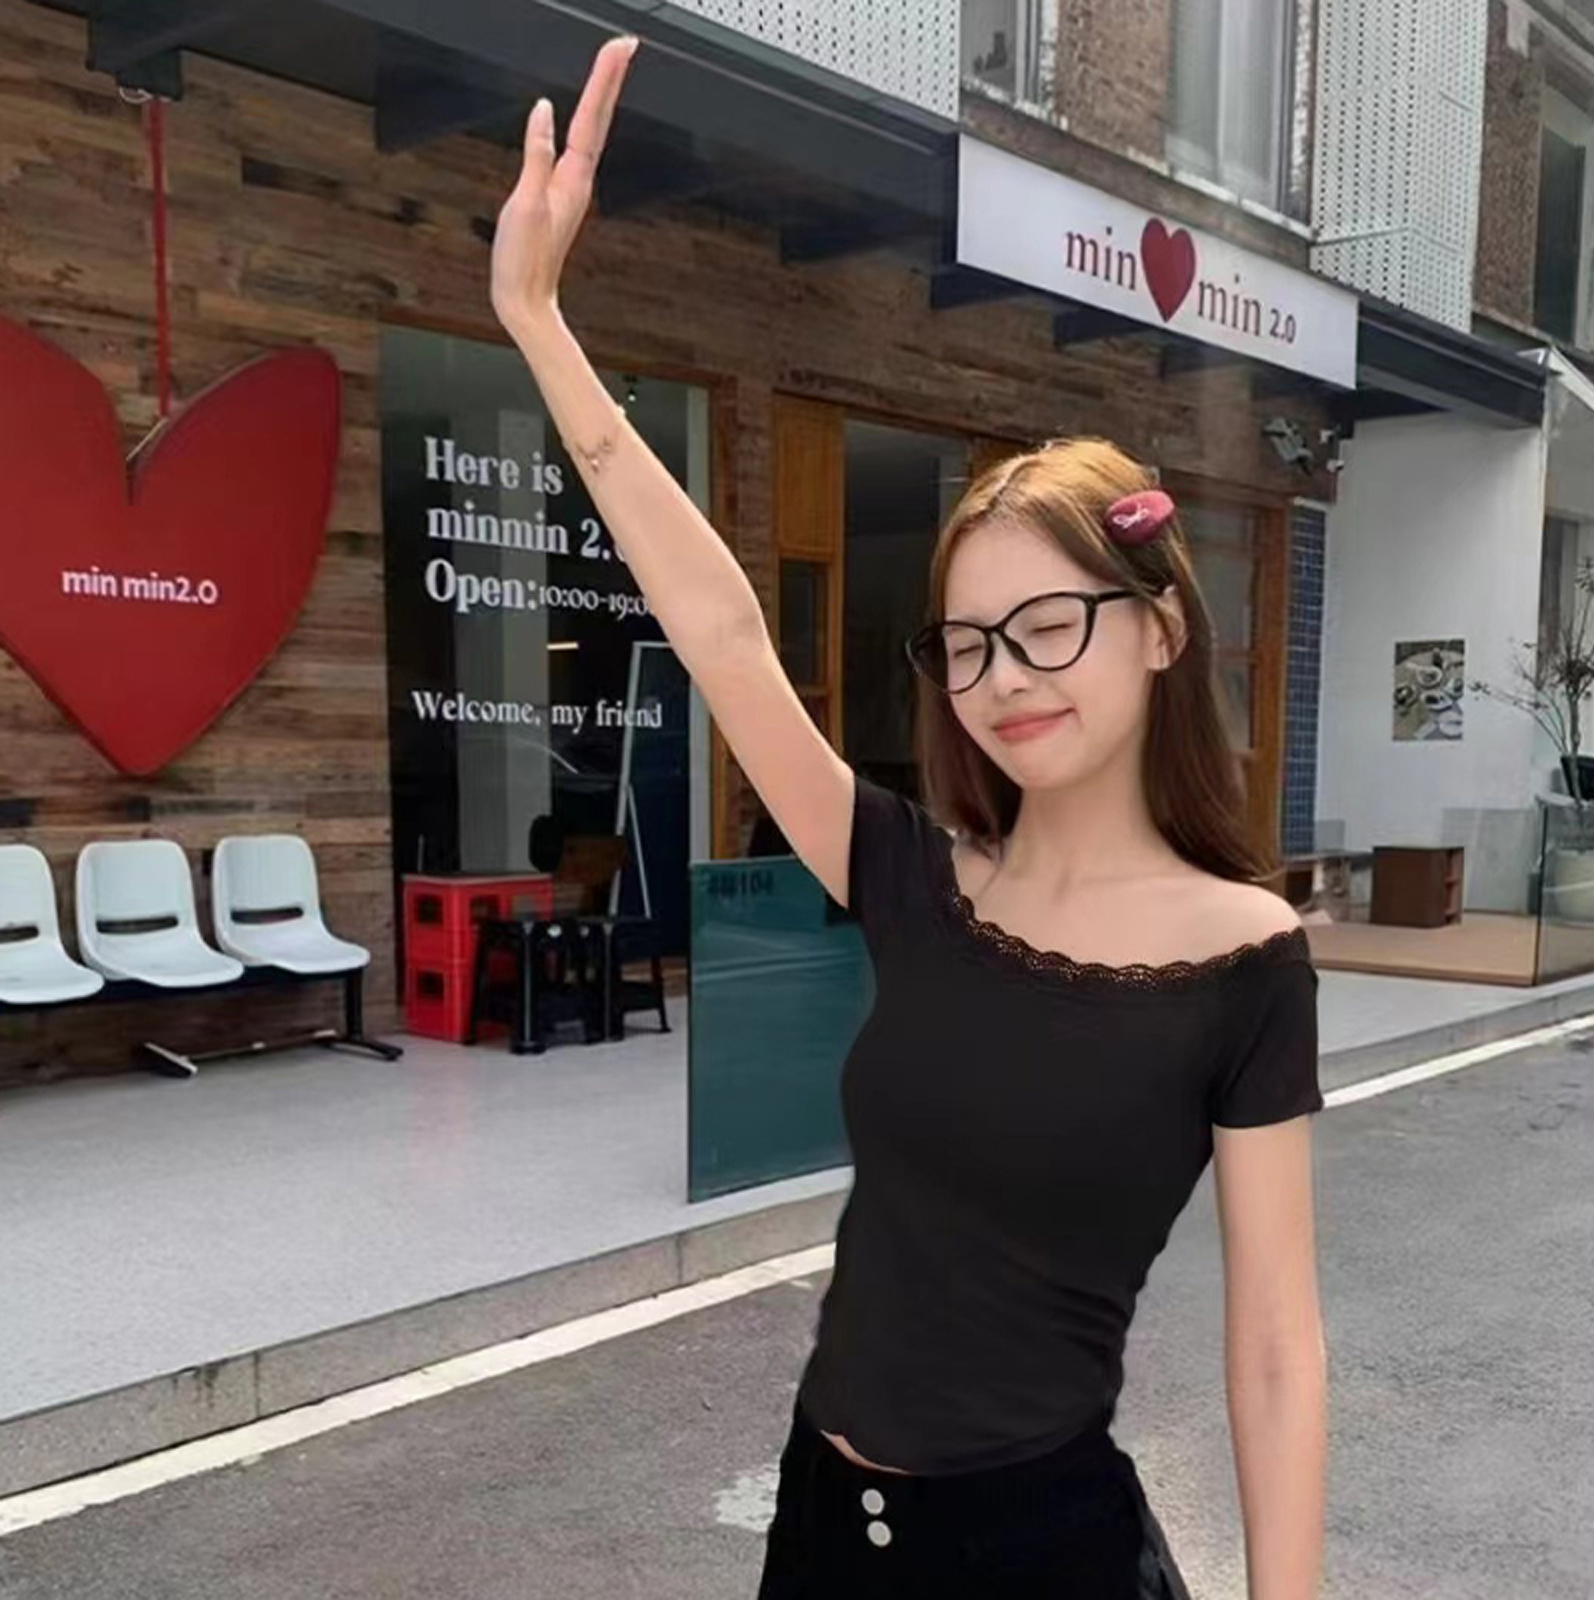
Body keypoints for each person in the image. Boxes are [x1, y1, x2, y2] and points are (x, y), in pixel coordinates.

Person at [490, 37, 1327, 1600]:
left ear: (1159, 629)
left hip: (1040, 1558)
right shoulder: (912, 881)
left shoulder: (1245, 961)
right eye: (970, 644)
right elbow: (725, 635)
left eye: (1052, 627)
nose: (1007, 678)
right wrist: (539, 322)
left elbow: (1276, 1343)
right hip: (823, 1532)